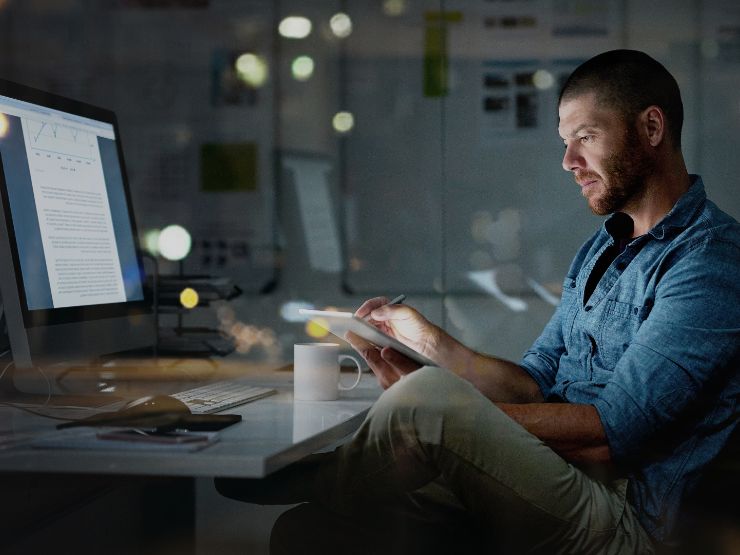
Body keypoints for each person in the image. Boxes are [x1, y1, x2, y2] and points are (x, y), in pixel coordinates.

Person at [217, 50, 740, 554]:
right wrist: (429, 344)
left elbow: (610, 437)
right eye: (564, 142)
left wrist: (450, 418)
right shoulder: (602, 248)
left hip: (622, 513)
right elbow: (533, 384)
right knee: (308, 531)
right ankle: (345, 476)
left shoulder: (710, 263)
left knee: (428, 403)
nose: (568, 162)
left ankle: (332, 475)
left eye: (586, 137)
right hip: (551, 477)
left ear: (652, 129)